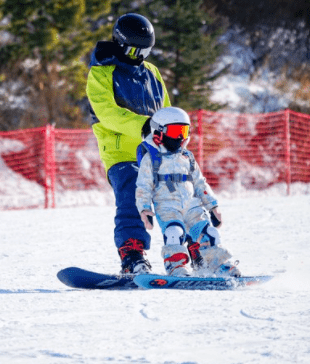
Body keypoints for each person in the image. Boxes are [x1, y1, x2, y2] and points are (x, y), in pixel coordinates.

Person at [86, 13, 171, 274]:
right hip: (121, 153)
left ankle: (196, 250)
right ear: (120, 44)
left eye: (145, 50)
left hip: (154, 151)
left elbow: (166, 109)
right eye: (134, 50)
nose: (139, 56)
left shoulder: (152, 72)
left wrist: (173, 134)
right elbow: (107, 113)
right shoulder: (102, 73)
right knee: (133, 194)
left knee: (179, 194)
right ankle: (133, 255)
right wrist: (143, 125)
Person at [135, 107, 241, 277]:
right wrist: (145, 208)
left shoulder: (187, 157)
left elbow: (200, 183)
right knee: (174, 233)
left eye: (183, 131)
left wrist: (213, 206)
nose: (180, 137)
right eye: (176, 131)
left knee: (210, 233)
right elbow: (143, 186)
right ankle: (176, 266)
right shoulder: (151, 159)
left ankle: (217, 265)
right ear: (159, 132)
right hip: (167, 207)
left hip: (192, 207)